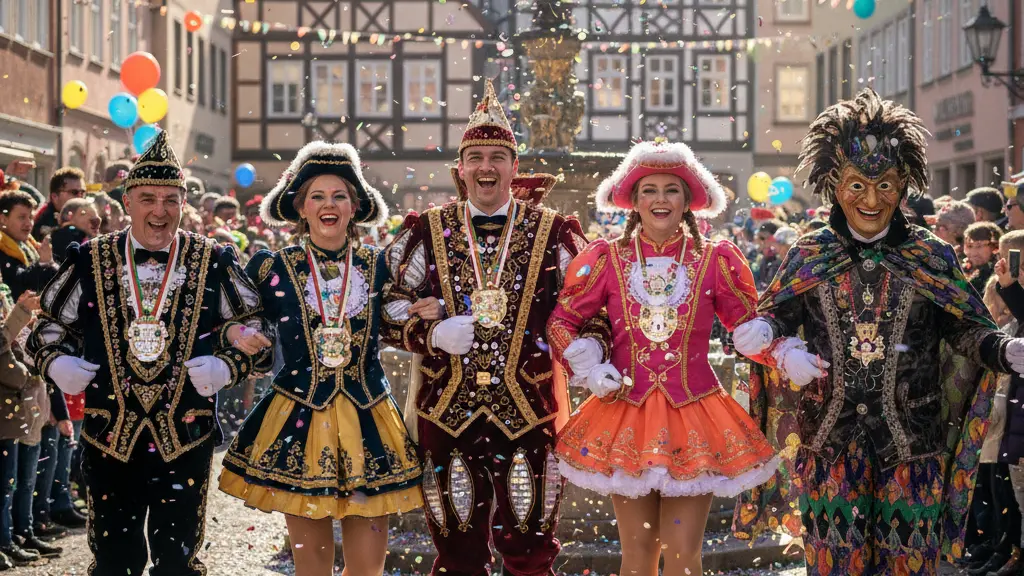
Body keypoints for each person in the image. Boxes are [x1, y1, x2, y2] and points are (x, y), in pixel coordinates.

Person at [731, 88, 1024, 575]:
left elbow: (965, 329)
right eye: (856, 185)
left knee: (908, 566)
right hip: (830, 443)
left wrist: (1001, 349)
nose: (871, 199)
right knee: (835, 566)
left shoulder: (931, 256)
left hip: (914, 445)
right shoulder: (810, 253)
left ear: (903, 185)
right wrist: (771, 338)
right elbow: (778, 318)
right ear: (833, 184)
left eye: (885, 185)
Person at [381, 79, 606, 576]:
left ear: (514, 167)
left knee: (531, 551)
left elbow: (593, 310)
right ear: (461, 170)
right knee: (456, 552)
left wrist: (589, 355)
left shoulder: (555, 232)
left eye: (497, 156)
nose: (486, 166)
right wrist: (430, 336)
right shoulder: (426, 230)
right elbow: (385, 307)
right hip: (446, 413)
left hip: (530, 412)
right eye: (476, 156)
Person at [27, 131, 267, 576]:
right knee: (114, 563)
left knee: (177, 564)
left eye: (171, 199)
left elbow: (258, 332)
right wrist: (55, 362)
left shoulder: (214, 260)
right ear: (127, 203)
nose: (160, 210)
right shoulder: (89, 258)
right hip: (109, 438)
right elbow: (44, 327)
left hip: (184, 437)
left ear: (182, 203)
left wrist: (228, 364)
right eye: (148, 198)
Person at [547, 141, 779, 576]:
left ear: (688, 200)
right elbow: (561, 323)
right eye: (648, 189)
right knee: (636, 558)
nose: (659, 199)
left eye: (671, 189)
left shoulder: (715, 258)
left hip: (696, 413)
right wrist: (589, 366)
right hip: (626, 414)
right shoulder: (605, 259)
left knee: (683, 556)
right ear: (633, 201)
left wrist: (782, 349)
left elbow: (748, 328)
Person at [219, 141, 436, 576]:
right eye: (316, 196)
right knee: (310, 568)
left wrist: (431, 310)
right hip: (297, 419)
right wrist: (235, 332)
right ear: (300, 208)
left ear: (355, 207)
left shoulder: (381, 267)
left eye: (339, 196)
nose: (328, 205)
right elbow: (234, 320)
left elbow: (405, 319)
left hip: (371, 420)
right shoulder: (272, 267)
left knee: (367, 570)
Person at [0, 190, 55, 300]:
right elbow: (18, 286)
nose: (29, 224)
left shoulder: (29, 244)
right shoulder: (2, 248)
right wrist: (43, 264)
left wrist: (50, 263)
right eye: (22, 217)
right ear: (3, 219)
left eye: (31, 217)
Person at [32, 168, 86, 241]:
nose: (80, 197)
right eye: (74, 192)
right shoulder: (44, 222)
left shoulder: (86, 216)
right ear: (55, 197)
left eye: (82, 192)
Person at [50, 197, 100, 264]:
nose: (96, 223)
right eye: (83, 214)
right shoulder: (66, 235)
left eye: (97, 220)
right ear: (70, 217)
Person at [964, 221, 1002, 294]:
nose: (973, 252)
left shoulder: (999, 272)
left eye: (979, 246)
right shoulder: (964, 269)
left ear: (994, 246)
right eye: (970, 246)